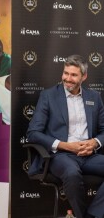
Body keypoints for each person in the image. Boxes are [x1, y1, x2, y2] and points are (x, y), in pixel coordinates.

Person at [27, 54, 104, 218]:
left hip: (88, 155)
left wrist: (95, 142)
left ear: (84, 76)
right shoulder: (48, 96)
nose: (67, 78)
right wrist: (65, 145)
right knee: (71, 173)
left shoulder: (94, 97)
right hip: (61, 155)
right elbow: (33, 133)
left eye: (74, 75)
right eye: (65, 73)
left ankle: (91, 215)